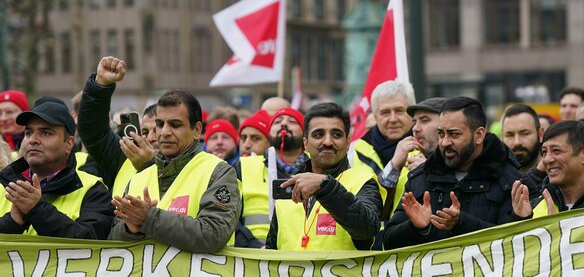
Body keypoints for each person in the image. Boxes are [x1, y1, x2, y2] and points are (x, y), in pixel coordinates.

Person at [100, 58, 240, 253]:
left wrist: (148, 219)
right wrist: (130, 229)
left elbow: (213, 234)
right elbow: (112, 242)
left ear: (196, 130)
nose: (164, 132)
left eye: (175, 125)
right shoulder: (140, 177)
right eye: (160, 124)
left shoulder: (219, 172)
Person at [383, 97, 526, 249]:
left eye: (454, 134)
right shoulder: (421, 178)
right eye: (441, 134)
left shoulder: (511, 182)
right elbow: (388, 241)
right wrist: (419, 229)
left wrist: (461, 223)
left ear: (478, 135)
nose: (445, 142)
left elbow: (513, 247)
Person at [265, 102, 382, 250]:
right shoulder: (291, 185)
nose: (327, 142)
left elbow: (367, 228)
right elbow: (271, 251)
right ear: (305, 144)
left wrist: (325, 187)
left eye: (336, 135)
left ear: (347, 143)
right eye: (319, 134)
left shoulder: (364, 180)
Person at [0, 100, 114, 238]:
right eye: (29, 133)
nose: (32, 140)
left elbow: (92, 244)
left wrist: (37, 209)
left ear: (69, 143)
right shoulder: (3, 184)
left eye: (45, 133)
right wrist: (12, 222)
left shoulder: (93, 189)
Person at [79, 57, 157, 197]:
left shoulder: (191, 166)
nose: (151, 137)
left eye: (157, 130)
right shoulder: (124, 158)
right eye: (145, 131)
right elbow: (94, 131)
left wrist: (148, 165)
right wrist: (100, 85)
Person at [511, 121, 584, 219]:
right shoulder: (533, 208)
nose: (547, 160)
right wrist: (522, 220)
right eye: (544, 152)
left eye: (556, 151)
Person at [234, 107, 308, 248]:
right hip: (255, 257)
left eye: (292, 121)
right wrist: (252, 245)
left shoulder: (317, 168)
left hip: (303, 257)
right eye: (277, 121)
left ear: (305, 137)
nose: (284, 124)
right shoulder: (244, 166)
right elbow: (229, 216)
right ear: (269, 135)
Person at [349, 81, 416, 221]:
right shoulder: (358, 150)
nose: (393, 119)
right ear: (374, 115)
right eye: (385, 112)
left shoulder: (427, 146)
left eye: (399, 111)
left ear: (412, 113)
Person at [401, 97, 447, 170]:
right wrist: (394, 166)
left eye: (425, 120)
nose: (415, 129)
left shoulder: (463, 161)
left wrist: (426, 171)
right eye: (414, 123)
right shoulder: (409, 157)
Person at [501, 104, 544, 173]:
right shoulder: (491, 179)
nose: (517, 142)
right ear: (501, 137)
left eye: (525, 133)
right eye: (510, 135)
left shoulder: (557, 179)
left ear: (540, 134)